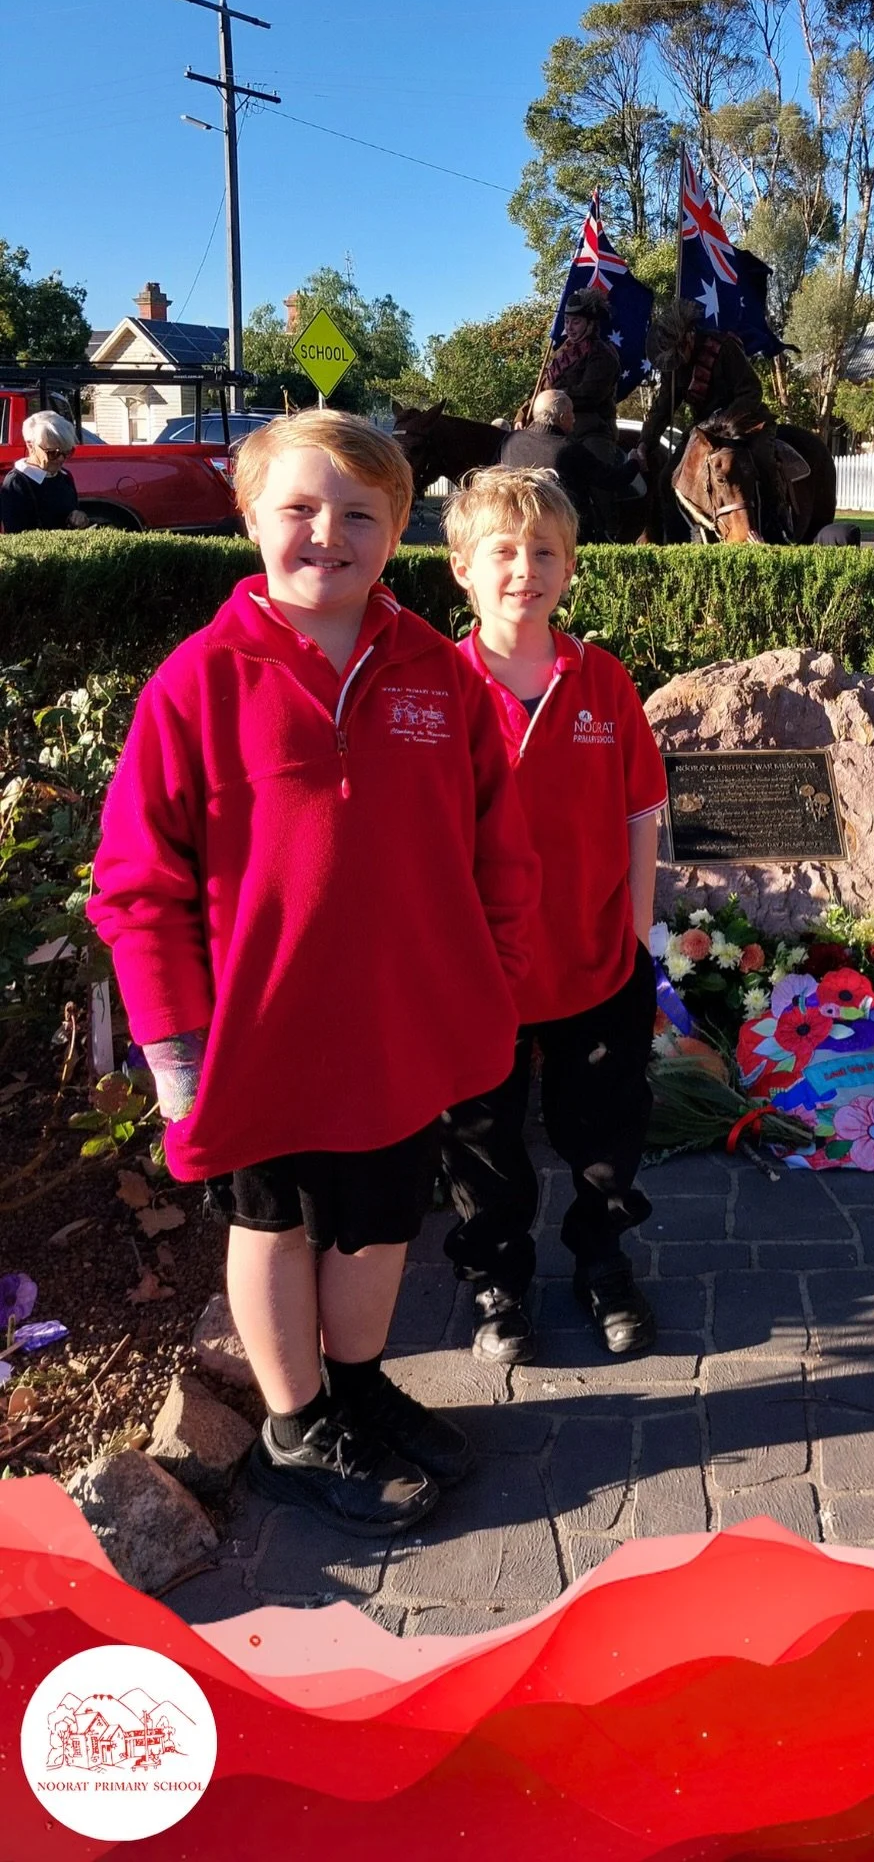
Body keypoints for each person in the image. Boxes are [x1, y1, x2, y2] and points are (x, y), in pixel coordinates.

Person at [87, 410, 540, 1536]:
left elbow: (500, 848)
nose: (327, 533)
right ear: (248, 518)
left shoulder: (440, 673)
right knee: (276, 1223)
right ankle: (294, 1423)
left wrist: (497, 980)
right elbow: (138, 883)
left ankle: (360, 1383)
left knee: (380, 1224)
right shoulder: (198, 683)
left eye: (359, 514)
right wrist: (175, 1050)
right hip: (259, 1033)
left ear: (398, 533)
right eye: (298, 508)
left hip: (401, 1027)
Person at [440, 467, 668, 1362]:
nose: (523, 569)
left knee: (606, 1132)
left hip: (594, 960)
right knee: (483, 1141)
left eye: (544, 552)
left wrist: (642, 931)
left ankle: (602, 1257)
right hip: (479, 970)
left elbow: (639, 812)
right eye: (502, 551)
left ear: (569, 567)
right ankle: (497, 1275)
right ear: (462, 567)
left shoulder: (602, 681)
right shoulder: (438, 687)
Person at [639, 298, 793, 538]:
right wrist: (644, 443)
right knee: (667, 478)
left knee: (762, 463)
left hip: (745, 422)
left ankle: (775, 528)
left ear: (689, 337)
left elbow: (752, 391)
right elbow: (663, 408)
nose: (676, 360)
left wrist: (724, 421)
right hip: (705, 429)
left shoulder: (724, 348)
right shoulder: (675, 364)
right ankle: (674, 542)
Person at [500, 390, 645, 543]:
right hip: (565, 537)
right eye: (572, 413)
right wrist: (634, 462)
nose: (574, 419)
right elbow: (611, 479)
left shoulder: (510, 442)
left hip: (517, 530)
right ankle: (611, 530)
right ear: (562, 418)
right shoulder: (568, 450)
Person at [539, 286, 622, 451]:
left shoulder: (603, 355)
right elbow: (541, 387)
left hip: (592, 431)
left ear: (590, 324)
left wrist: (549, 401)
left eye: (576, 322)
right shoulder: (561, 354)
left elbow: (588, 395)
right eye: (567, 321)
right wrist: (524, 412)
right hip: (553, 425)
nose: (569, 327)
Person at [1, 411, 88, 532]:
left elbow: (71, 514)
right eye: (53, 453)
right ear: (31, 446)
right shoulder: (16, 483)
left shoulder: (65, 476)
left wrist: (79, 518)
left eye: (67, 452)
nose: (61, 458)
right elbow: (15, 537)